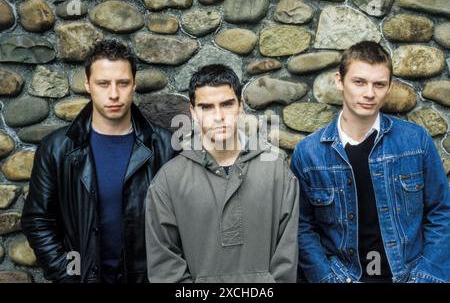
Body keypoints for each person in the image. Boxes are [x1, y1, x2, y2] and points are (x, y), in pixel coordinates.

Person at [291, 41, 450, 283]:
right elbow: (302, 227)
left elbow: (441, 212)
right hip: (342, 277)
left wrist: (426, 275)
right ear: (339, 81)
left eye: (379, 84)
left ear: (388, 88)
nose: (369, 93)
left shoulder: (415, 142)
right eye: (359, 82)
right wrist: (325, 278)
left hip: (410, 275)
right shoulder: (309, 153)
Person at [21, 39, 175, 283]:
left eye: (122, 83)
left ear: (134, 85)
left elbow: (181, 221)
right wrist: (67, 275)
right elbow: (37, 219)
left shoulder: (164, 146)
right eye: (103, 84)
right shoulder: (57, 148)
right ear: (87, 85)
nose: (113, 94)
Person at [145, 64, 299, 283]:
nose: (218, 116)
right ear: (193, 112)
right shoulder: (168, 181)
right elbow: (165, 265)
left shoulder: (277, 172)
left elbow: (287, 257)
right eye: (206, 107)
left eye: (226, 104)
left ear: (240, 107)